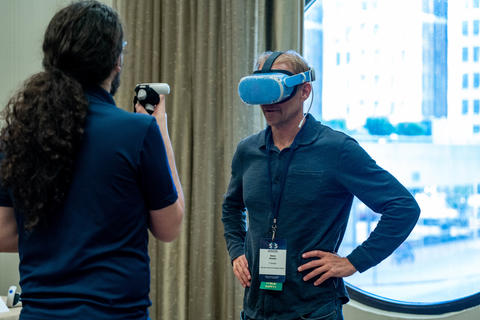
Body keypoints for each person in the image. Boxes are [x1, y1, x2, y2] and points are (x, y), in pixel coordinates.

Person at [0, 1, 184, 319]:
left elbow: (3, 234)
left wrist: (61, 240)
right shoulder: (137, 131)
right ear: (115, 61)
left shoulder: (19, 133)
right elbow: (169, 226)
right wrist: (160, 131)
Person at [222, 50, 420, 320]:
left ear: (304, 91)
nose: (268, 102)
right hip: (256, 309)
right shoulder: (248, 151)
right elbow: (231, 207)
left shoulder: (337, 150)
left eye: (277, 90)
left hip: (313, 311)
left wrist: (354, 261)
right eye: (261, 91)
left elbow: (403, 207)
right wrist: (236, 251)